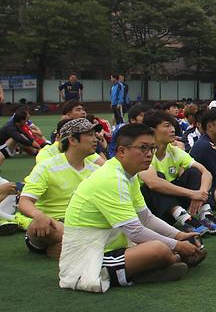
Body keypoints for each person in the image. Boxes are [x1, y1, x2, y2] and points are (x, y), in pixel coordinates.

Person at [60, 123, 206, 291]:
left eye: (152, 148)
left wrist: (180, 235)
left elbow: (146, 218)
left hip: (113, 247)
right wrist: (177, 245)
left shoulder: (129, 175)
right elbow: (135, 231)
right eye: (143, 148)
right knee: (159, 249)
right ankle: (163, 262)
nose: (149, 154)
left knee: (178, 244)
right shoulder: (111, 178)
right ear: (122, 151)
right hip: (89, 257)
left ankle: (153, 267)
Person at [17, 119, 102, 259]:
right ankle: (80, 245)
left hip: (82, 223)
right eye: (90, 135)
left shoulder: (96, 170)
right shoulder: (47, 167)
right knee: (41, 226)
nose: (96, 139)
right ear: (72, 140)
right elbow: (24, 201)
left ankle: (63, 248)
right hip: (52, 224)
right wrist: (39, 216)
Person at [138, 110, 216, 235]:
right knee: (158, 179)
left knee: (194, 172)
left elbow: (206, 172)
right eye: (167, 126)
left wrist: (201, 194)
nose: (173, 129)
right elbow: (153, 183)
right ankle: (185, 219)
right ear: (152, 130)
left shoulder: (174, 151)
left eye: (173, 126)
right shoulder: (143, 153)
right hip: (152, 209)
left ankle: (206, 215)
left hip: (171, 205)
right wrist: (192, 194)